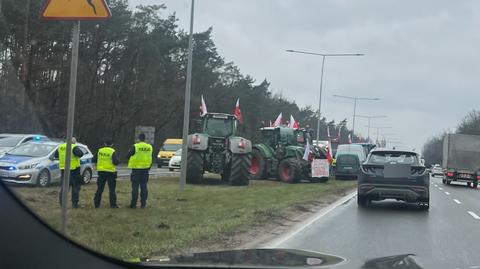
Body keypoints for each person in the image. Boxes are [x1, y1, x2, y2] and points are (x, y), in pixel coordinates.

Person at [56, 137, 84, 208]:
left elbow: (56, 155)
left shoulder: (61, 147)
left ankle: (61, 204)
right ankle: (74, 204)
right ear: (73, 142)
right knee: (75, 187)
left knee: (64, 187)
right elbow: (81, 154)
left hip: (64, 170)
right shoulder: (73, 147)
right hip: (74, 170)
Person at [127, 133, 153, 209]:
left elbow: (127, 155)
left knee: (135, 187)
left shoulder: (135, 146)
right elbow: (151, 157)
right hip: (145, 169)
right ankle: (143, 204)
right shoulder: (149, 147)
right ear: (145, 139)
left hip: (136, 169)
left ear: (138, 139)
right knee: (144, 186)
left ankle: (133, 204)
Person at [93, 139, 119, 208]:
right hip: (110, 173)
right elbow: (116, 162)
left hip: (101, 172)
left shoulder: (100, 150)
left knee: (100, 188)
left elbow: (94, 159)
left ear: (104, 144)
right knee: (112, 189)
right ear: (112, 144)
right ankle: (113, 205)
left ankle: (96, 204)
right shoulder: (112, 151)